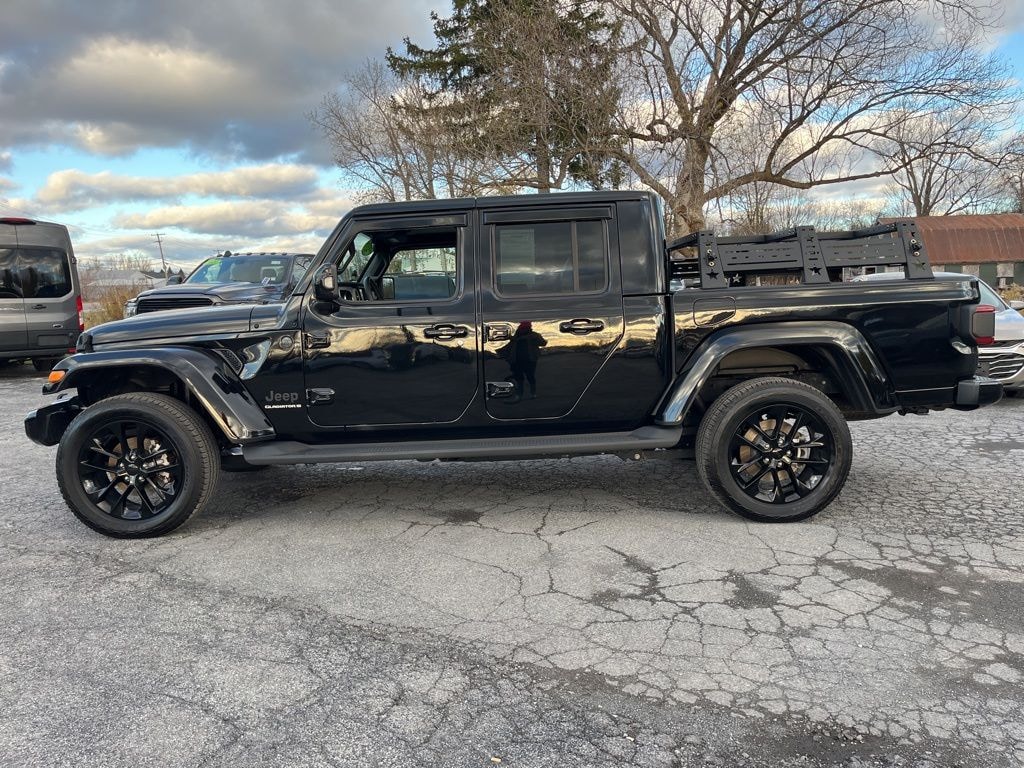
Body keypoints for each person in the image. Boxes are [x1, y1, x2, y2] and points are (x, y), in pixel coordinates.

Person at [499, 321, 546, 400]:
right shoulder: (516, 336)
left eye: (525, 327)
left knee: (529, 377)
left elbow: (543, 343)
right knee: (520, 379)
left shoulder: (534, 335)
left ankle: (532, 393)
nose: (523, 329)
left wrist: (534, 338)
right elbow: (509, 347)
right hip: (517, 361)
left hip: (529, 360)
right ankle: (521, 394)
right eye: (523, 327)